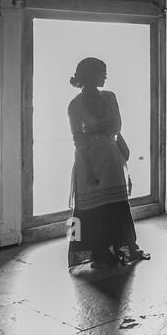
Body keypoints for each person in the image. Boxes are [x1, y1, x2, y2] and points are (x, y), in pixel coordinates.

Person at [66, 57, 150, 268]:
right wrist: (89, 170)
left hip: (112, 158)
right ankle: (100, 252)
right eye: (101, 72)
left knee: (117, 205)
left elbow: (117, 126)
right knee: (92, 209)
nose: (105, 76)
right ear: (89, 76)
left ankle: (122, 246)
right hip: (89, 161)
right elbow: (78, 139)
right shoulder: (75, 105)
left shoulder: (110, 97)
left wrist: (106, 137)